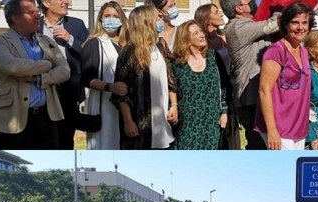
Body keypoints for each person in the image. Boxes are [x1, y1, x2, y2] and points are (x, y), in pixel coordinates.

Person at [0, 0, 70, 149]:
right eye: (31, 13)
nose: (38, 16)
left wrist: (41, 78)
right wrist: (47, 65)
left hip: (47, 118)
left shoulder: (46, 41)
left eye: (38, 12)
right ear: (15, 18)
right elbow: (12, 67)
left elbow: (65, 70)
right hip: (11, 121)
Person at [110, 4, 175, 149]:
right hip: (139, 121)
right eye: (157, 17)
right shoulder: (129, 51)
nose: (161, 20)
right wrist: (128, 121)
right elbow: (122, 91)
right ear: (146, 22)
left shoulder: (160, 46)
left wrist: (174, 105)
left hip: (162, 119)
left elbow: (171, 79)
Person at [220, 0, 280, 150]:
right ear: (239, 8)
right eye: (248, 0)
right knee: (259, 143)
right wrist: (280, 6)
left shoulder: (246, 23)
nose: (253, 2)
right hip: (251, 95)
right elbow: (273, 24)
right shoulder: (238, 26)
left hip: (257, 94)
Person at [254, 2, 314, 150]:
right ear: (285, 24)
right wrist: (272, 130)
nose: (300, 27)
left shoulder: (303, 51)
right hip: (279, 127)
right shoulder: (276, 51)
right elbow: (264, 90)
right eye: (295, 22)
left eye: (304, 23)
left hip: (298, 127)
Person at [37, 0, 89, 149]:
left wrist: (70, 39)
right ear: (46, 3)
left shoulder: (77, 24)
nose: (66, 2)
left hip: (69, 90)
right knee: (44, 137)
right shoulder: (35, 25)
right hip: (43, 88)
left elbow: (90, 53)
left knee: (66, 137)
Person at [171, 20, 229, 150]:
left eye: (201, 31)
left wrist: (224, 112)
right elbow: (171, 89)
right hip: (186, 122)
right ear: (186, 39)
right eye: (195, 33)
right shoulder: (176, 63)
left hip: (211, 120)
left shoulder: (214, 57)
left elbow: (224, 87)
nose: (202, 35)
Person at [80, 1, 129, 150]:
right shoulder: (94, 43)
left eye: (115, 16)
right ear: (100, 19)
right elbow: (87, 78)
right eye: (107, 16)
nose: (111, 19)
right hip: (105, 104)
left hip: (128, 106)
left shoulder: (127, 44)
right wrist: (110, 87)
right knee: (107, 143)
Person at [194, 3, 240, 150]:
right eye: (216, 12)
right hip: (212, 96)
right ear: (207, 19)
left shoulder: (223, 37)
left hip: (229, 92)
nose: (221, 14)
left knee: (231, 140)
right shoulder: (202, 43)